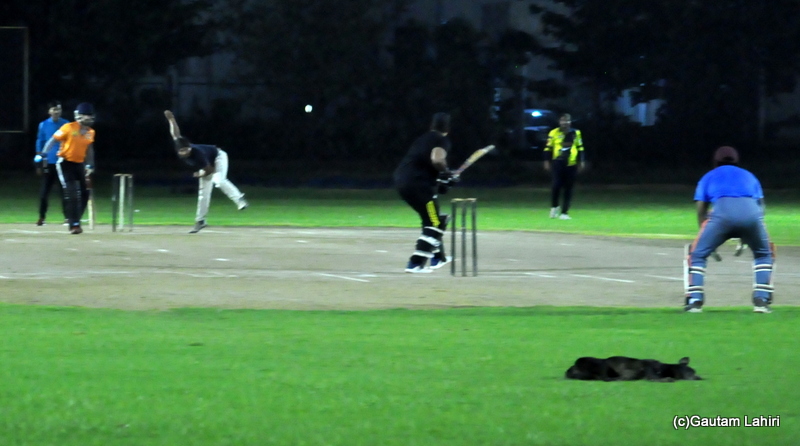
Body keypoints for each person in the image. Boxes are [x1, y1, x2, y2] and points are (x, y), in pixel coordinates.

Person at [684, 146, 775, 313]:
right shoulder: (749, 175)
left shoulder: (708, 176)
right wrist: (747, 235)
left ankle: (695, 300)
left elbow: (701, 210)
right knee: (764, 254)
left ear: (715, 161)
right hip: (752, 215)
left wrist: (706, 240)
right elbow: (761, 207)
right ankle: (761, 300)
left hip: (722, 216)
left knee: (696, 254)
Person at [164, 110, 248, 233]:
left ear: (190, 147)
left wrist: (199, 174)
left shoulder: (198, 154)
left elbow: (210, 170)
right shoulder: (180, 144)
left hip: (218, 157)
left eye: (187, 149)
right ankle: (200, 221)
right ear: (178, 151)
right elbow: (176, 134)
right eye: (182, 151)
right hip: (206, 165)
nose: (185, 152)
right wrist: (171, 120)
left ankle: (239, 199)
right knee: (203, 194)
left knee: (219, 180)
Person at [393, 112, 457, 273]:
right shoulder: (441, 140)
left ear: (431, 125)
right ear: (447, 128)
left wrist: (443, 179)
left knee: (431, 218)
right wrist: (447, 173)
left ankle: (438, 258)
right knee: (435, 222)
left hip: (403, 182)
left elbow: (426, 165)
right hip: (418, 185)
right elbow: (437, 160)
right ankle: (416, 263)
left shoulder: (423, 139)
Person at [40, 102, 96, 234]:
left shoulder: (90, 132)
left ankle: (76, 219)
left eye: (90, 116)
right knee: (72, 193)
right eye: (86, 116)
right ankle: (74, 224)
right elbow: (53, 140)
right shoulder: (69, 127)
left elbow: (89, 149)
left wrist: (90, 165)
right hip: (65, 163)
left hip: (79, 164)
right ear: (79, 116)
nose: (89, 118)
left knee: (85, 193)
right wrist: (44, 153)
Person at [543, 113, 585, 220]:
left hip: (571, 164)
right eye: (562, 121)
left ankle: (564, 213)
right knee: (556, 186)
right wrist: (546, 161)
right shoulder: (554, 133)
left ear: (570, 122)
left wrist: (581, 161)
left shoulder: (576, 133)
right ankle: (554, 206)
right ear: (559, 122)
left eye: (566, 121)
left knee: (568, 188)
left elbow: (580, 148)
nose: (564, 123)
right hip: (558, 163)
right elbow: (548, 148)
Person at [34, 100, 70, 226]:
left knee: (65, 191)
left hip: (62, 162)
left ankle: (68, 218)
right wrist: (39, 162)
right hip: (48, 162)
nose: (56, 112)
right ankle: (41, 217)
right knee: (44, 192)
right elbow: (40, 141)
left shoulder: (66, 125)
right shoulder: (43, 125)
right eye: (54, 109)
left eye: (58, 109)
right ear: (49, 111)